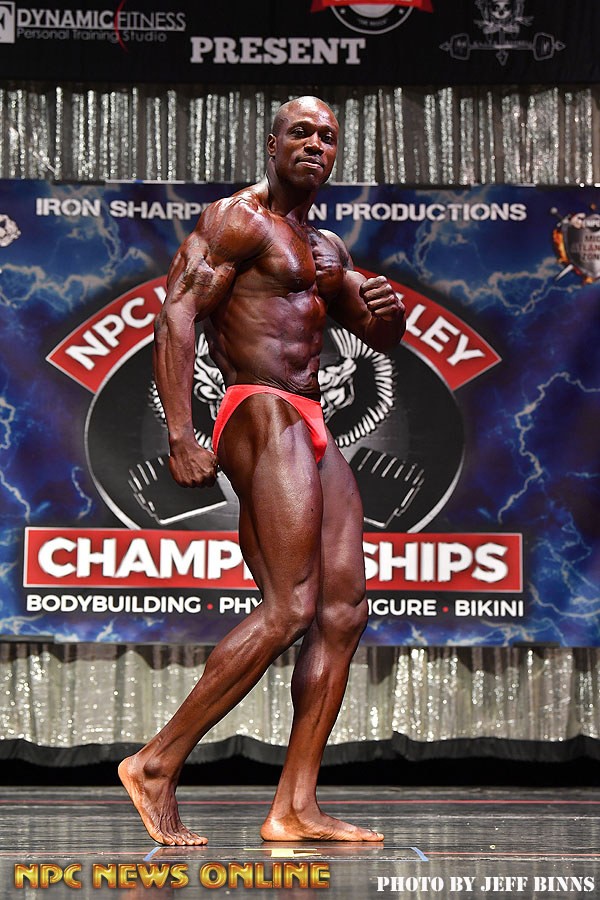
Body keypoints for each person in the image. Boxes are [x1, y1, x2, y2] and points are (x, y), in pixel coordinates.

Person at [118, 96, 406, 846]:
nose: (315, 144)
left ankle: (294, 807)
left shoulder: (328, 248)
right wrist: (181, 432)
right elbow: (177, 314)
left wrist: (390, 311)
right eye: (300, 133)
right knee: (289, 607)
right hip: (257, 406)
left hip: (311, 415)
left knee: (342, 611)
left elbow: (378, 335)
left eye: (328, 137)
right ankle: (155, 763)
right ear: (272, 144)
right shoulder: (237, 221)